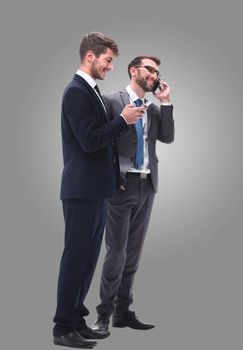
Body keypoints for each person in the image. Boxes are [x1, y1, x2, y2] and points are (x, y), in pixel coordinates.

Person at [53, 33, 146, 349]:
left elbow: (100, 146)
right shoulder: (76, 92)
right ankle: (62, 327)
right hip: (80, 191)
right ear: (90, 57)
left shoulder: (91, 91)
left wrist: (113, 179)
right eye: (107, 60)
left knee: (89, 259)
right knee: (75, 259)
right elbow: (90, 140)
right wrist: (122, 119)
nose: (110, 66)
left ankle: (77, 320)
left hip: (98, 189)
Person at [92, 56, 174, 336]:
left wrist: (165, 102)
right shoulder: (111, 101)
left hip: (147, 186)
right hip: (120, 186)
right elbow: (99, 141)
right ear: (133, 70)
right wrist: (111, 177)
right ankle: (103, 313)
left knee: (134, 254)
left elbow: (168, 137)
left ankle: (123, 312)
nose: (154, 74)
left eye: (157, 71)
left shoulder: (152, 108)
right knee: (116, 252)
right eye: (150, 69)